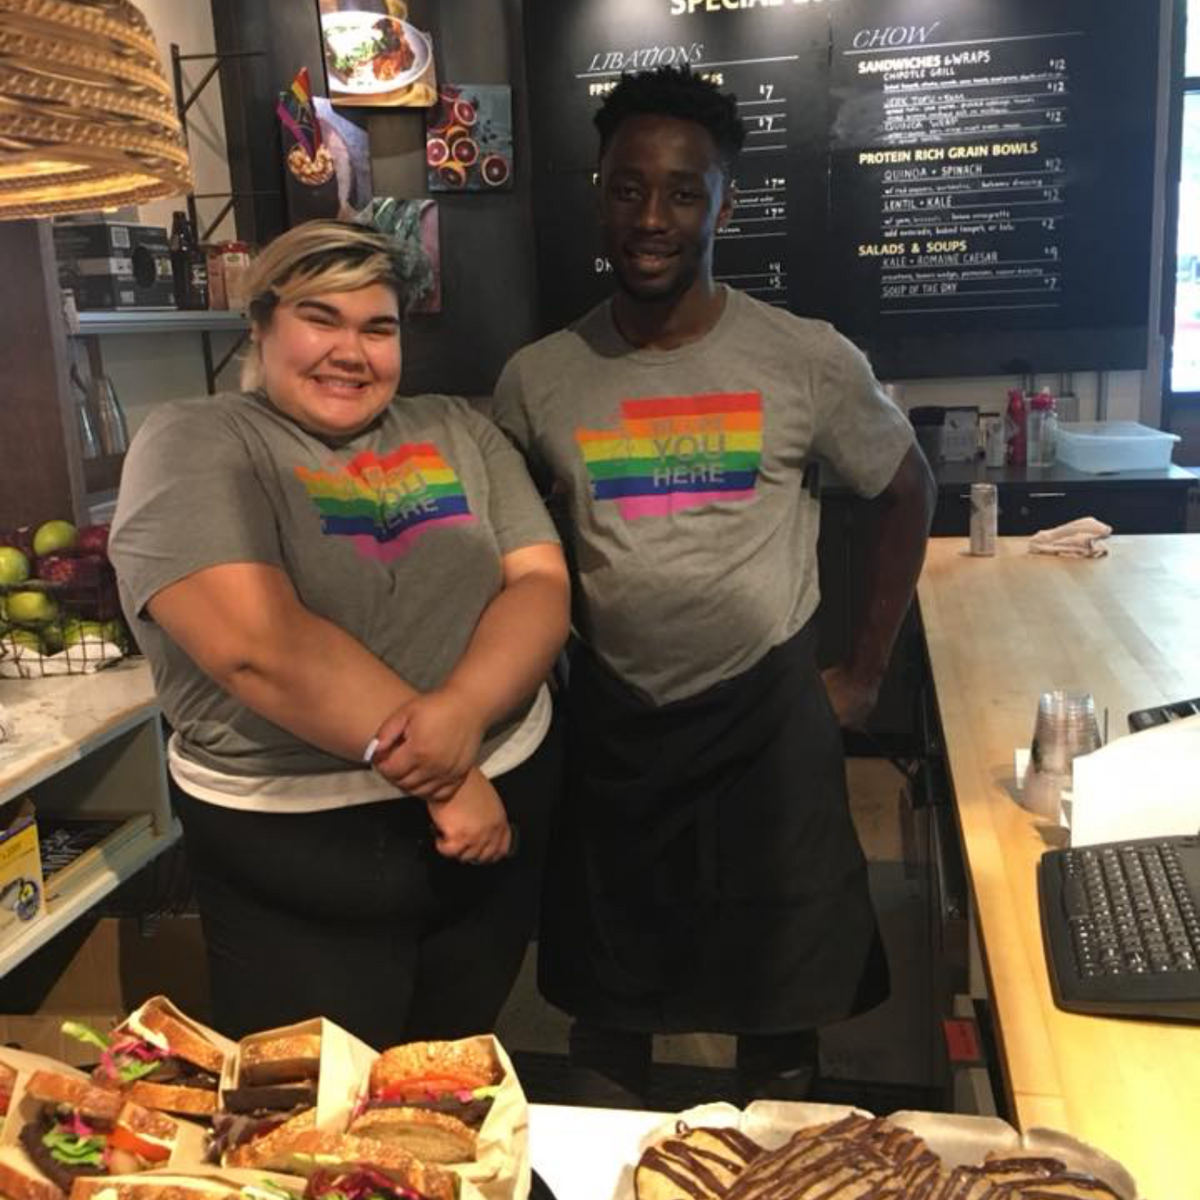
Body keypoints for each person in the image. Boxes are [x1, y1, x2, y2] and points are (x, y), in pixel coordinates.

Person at [493, 66, 936, 1104]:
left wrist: (865, 671)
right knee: (607, 1011)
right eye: (628, 188)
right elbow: (512, 552)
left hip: (767, 723)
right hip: (614, 723)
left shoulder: (805, 359)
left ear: (724, 203)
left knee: (780, 1007)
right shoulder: (538, 378)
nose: (652, 217)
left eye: (683, 192)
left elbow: (906, 490)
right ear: (599, 193)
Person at [109, 220, 569, 1046]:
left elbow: (538, 581)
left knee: (453, 1087)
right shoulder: (195, 440)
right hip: (301, 851)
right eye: (320, 318)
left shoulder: (460, 429)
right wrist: (443, 775)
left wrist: (464, 712)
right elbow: (261, 642)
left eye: (378, 327)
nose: (350, 351)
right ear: (262, 325)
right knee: (312, 1124)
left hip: (493, 815)